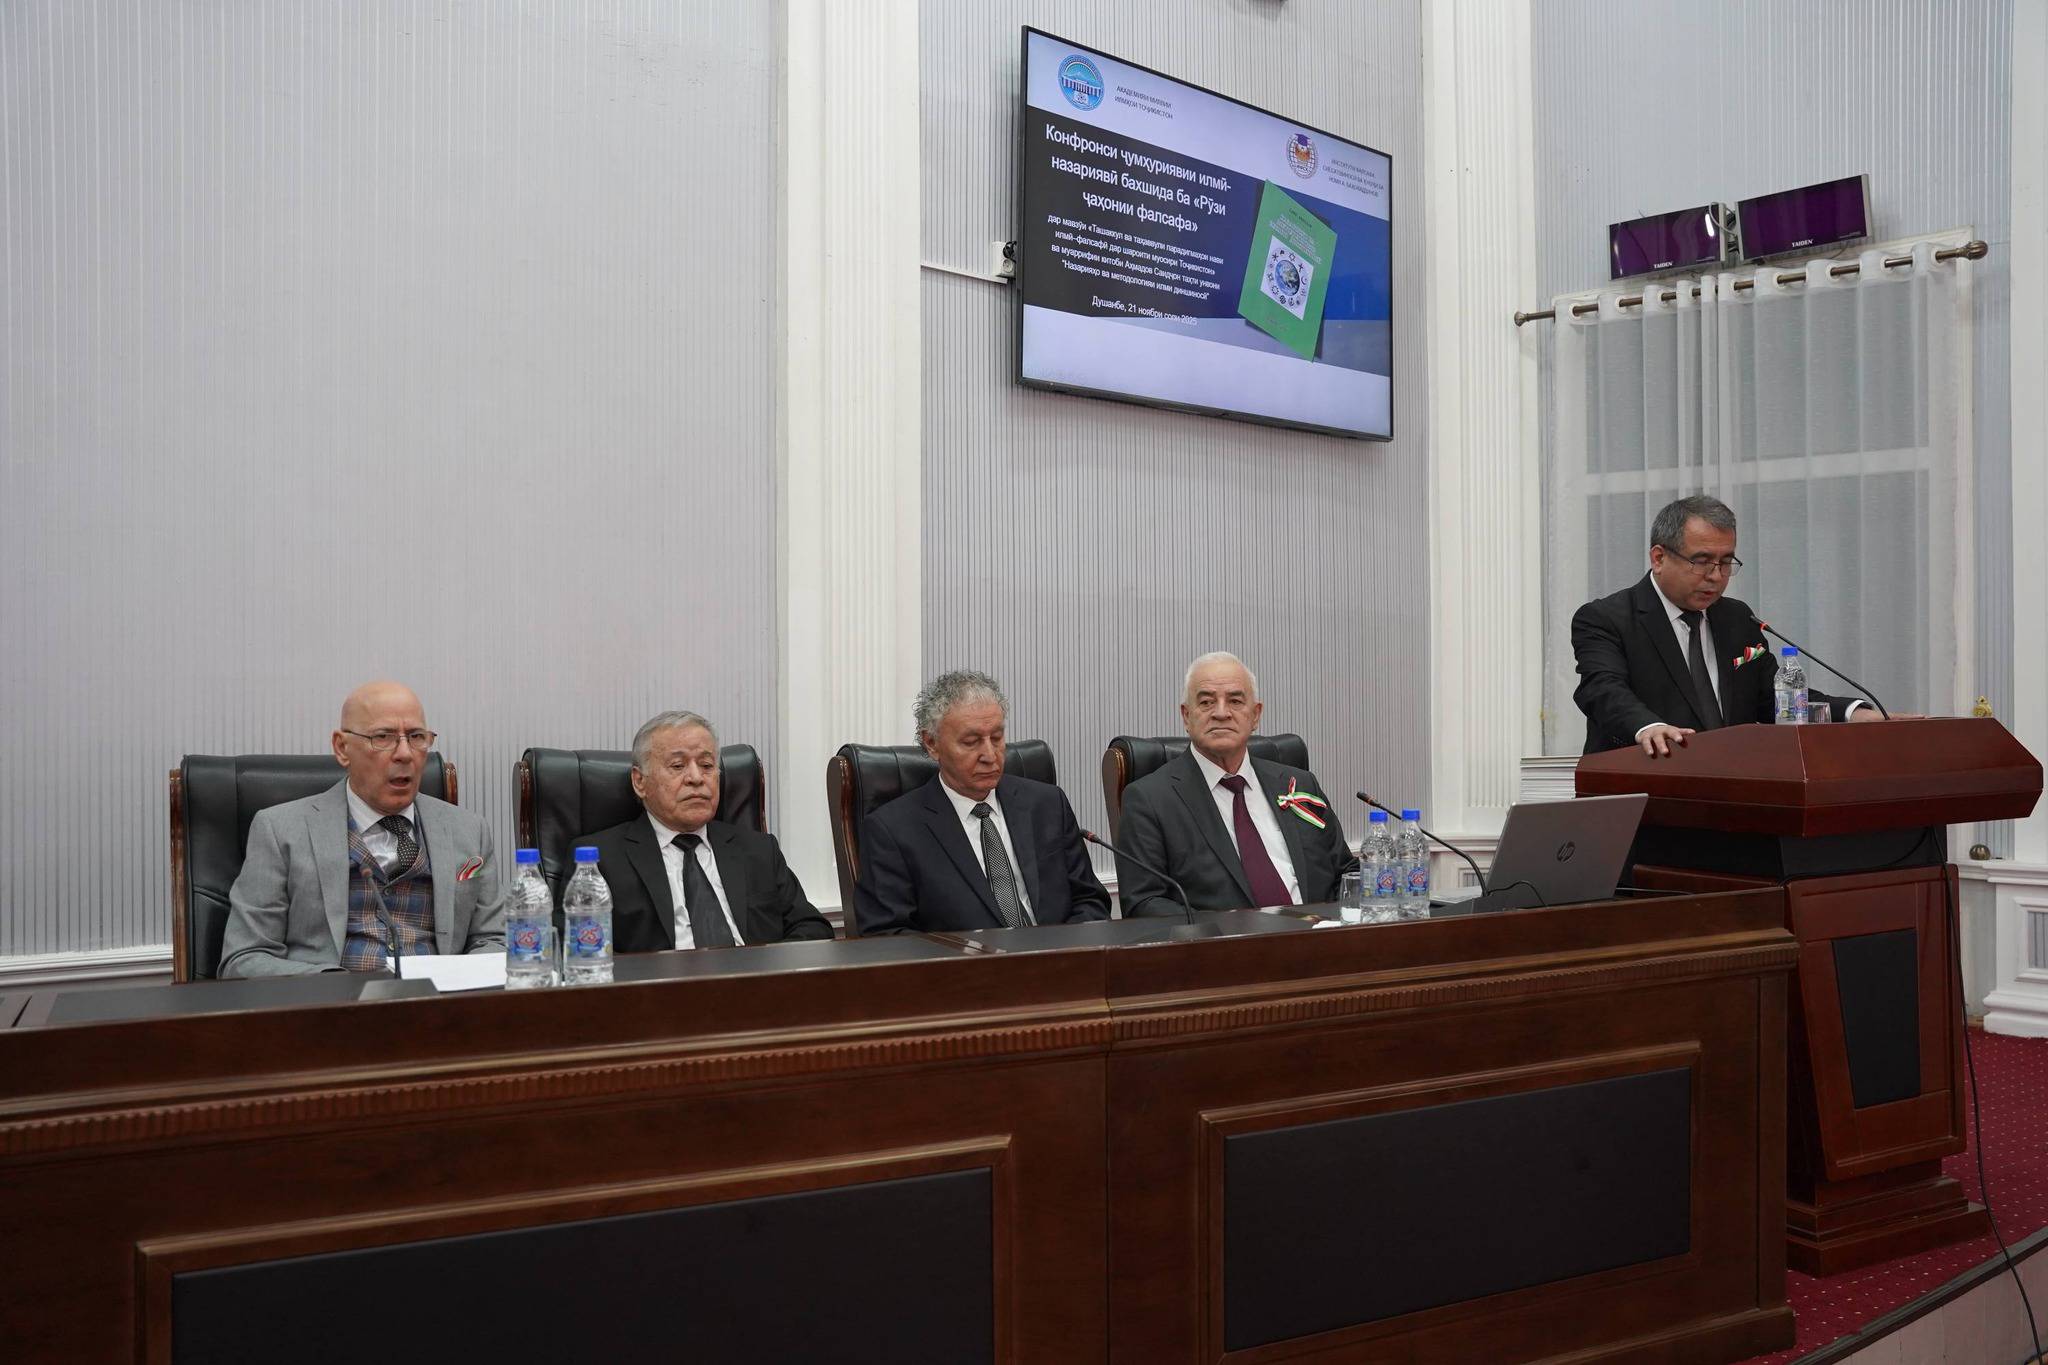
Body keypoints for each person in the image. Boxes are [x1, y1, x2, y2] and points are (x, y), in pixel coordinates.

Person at [219, 681, 507, 976]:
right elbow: (244, 958)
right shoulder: (280, 831)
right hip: (330, 1001)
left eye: (416, 737)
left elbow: (493, 941)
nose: (405, 754)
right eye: (383, 737)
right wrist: (332, 986)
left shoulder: (469, 830)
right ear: (342, 748)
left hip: (437, 1001)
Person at [1572, 495, 1881, 756]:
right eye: (1702, 561)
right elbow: (1602, 689)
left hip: (1729, 788)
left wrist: (1852, 713)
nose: (1716, 576)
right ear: (1659, 558)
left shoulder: (1737, 619)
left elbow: (1774, 700)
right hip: (1645, 785)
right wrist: (1648, 726)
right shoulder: (1606, 619)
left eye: (1726, 562)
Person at [854, 670, 1110, 935]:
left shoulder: (1047, 804)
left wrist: (1061, 952)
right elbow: (887, 934)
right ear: (932, 744)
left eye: (997, 738)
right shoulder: (893, 830)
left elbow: (1090, 900)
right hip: (962, 961)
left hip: (1058, 955)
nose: (990, 755)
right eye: (971, 742)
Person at [1114, 652, 1355, 917]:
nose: (1221, 713)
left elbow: (1345, 873)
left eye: (1235, 701)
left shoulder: (1299, 784)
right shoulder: (1149, 800)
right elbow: (1144, 902)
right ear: (1186, 716)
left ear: (1256, 715)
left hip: (1320, 934)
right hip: (1222, 941)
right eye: (1206, 702)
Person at [577, 710, 831, 951]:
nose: (696, 778)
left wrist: (767, 970)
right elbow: (584, 951)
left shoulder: (759, 850)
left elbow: (812, 928)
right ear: (640, 781)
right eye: (678, 766)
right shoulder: (598, 860)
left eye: (707, 765)